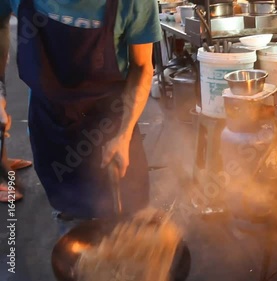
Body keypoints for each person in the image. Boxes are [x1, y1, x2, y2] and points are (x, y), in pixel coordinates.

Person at [0, 0, 161, 226]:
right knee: (70, 217)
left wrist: (123, 135)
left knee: (130, 213)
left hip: (112, 122)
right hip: (50, 123)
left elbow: (142, 66)